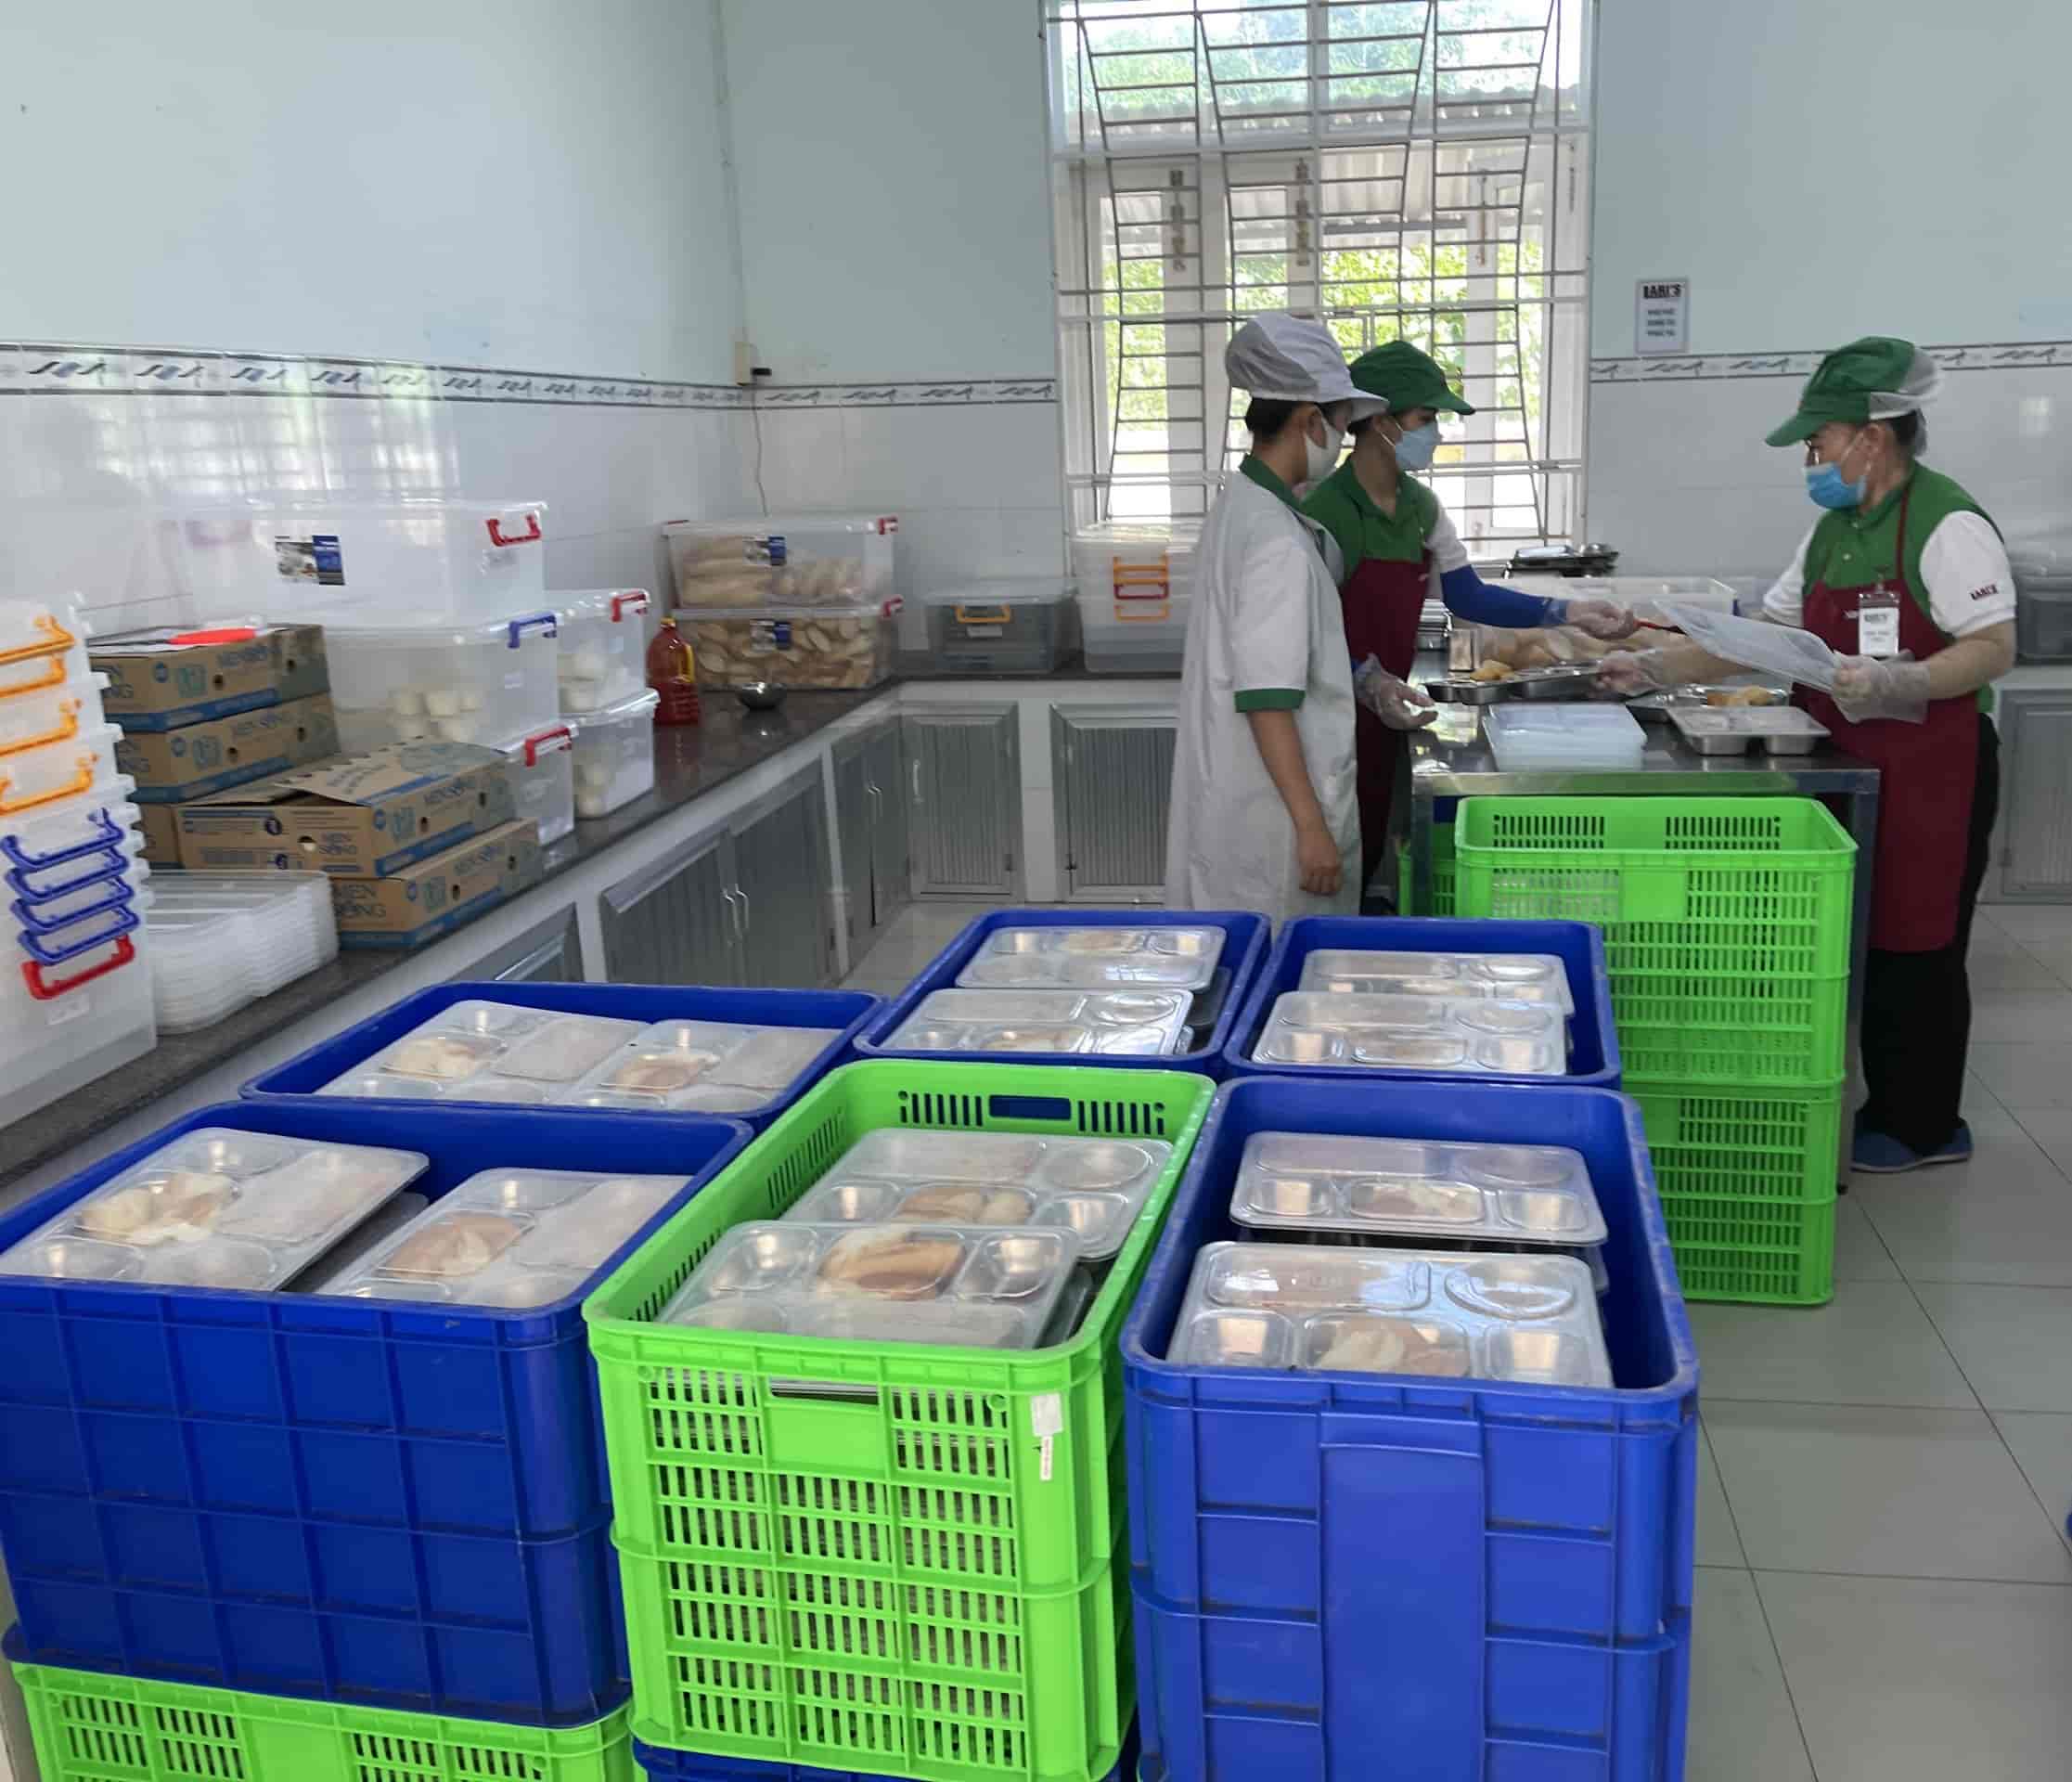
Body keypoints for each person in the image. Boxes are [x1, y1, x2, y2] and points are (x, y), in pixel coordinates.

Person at [1602, 336, 2016, 1173]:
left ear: (1871, 434)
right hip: (1855, 757)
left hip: (1937, 762)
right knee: (1866, 933)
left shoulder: (1946, 522)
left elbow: (1993, 646)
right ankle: (1880, 1104)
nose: (1810, 457)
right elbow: (1762, 640)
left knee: (1919, 942)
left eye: (1818, 440)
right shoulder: (1834, 527)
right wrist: (1645, 666)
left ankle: (1924, 1125)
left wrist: (1899, 684)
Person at [1304, 341, 1640, 887]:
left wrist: (1569, 610)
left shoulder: (1420, 507)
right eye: (1425, 417)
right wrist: (1363, 679)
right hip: (1327, 710)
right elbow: (1301, 632)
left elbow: (1469, 596)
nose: (1434, 431)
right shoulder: (1327, 511)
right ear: (1380, 421)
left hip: (1384, 705)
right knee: (1330, 848)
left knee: (1367, 842)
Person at [1164, 313, 1405, 920]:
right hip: (1275, 821)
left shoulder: (1242, 508)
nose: (1342, 443)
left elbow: (1275, 648)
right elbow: (1265, 696)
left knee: (1237, 966)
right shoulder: (1274, 538)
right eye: (1340, 427)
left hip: (1239, 797)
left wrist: (1361, 680)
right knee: (1280, 976)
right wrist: (1311, 828)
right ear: (1306, 420)